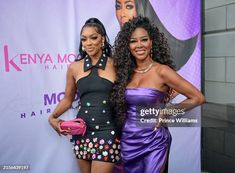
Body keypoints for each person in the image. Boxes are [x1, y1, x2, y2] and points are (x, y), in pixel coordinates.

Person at [111, 16, 205, 173]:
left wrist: (168, 111)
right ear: (128, 46)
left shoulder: (162, 71)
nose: (139, 45)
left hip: (154, 140)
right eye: (133, 41)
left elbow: (198, 98)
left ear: (151, 42)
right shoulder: (125, 73)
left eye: (144, 40)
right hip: (129, 140)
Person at [48, 18, 120, 173]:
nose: (88, 43)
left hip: (107, 131)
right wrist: (52, 118)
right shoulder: (74, 67)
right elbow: (68, 100)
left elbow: (126, 98)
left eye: (93, 37)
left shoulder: (116, 65)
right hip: (82, 131)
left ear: (103, 39)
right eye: (84, 39)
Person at [115, 0, 197, 70]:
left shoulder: (161, 69)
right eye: (118, 7)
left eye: (129, 6)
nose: (122, 14)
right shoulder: (120, 57)